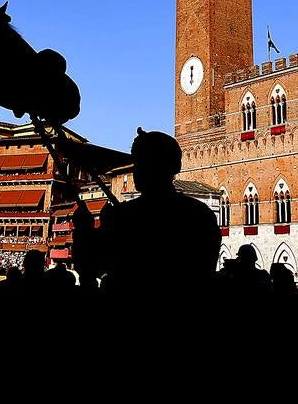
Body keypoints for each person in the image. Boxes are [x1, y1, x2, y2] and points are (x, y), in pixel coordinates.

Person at [76, 127, 222, 306]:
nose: (136, 170)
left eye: (140, 163)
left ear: (153, 166)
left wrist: (84, 230)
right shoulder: (201, 214)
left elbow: (91, 268)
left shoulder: (124, 217)